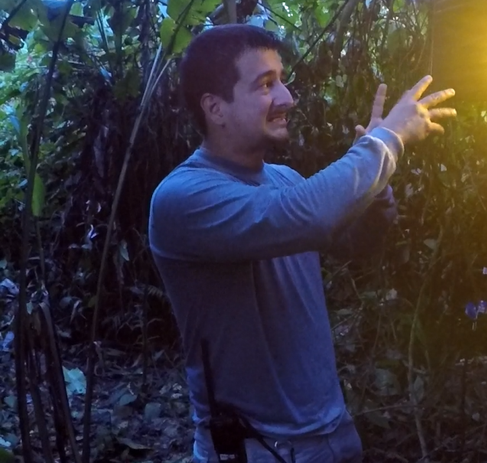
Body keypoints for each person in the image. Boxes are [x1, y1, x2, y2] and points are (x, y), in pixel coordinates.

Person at [148, 24, 455, 463]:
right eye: (266, 85)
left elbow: (355, 245)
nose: (288, 99)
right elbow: (306, 215)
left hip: (332, 432)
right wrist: (386, 142)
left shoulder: (283, 179)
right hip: (255, 448)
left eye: (282, 81)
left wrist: (375, 189)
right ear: (215, 108)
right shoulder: (182, 198)